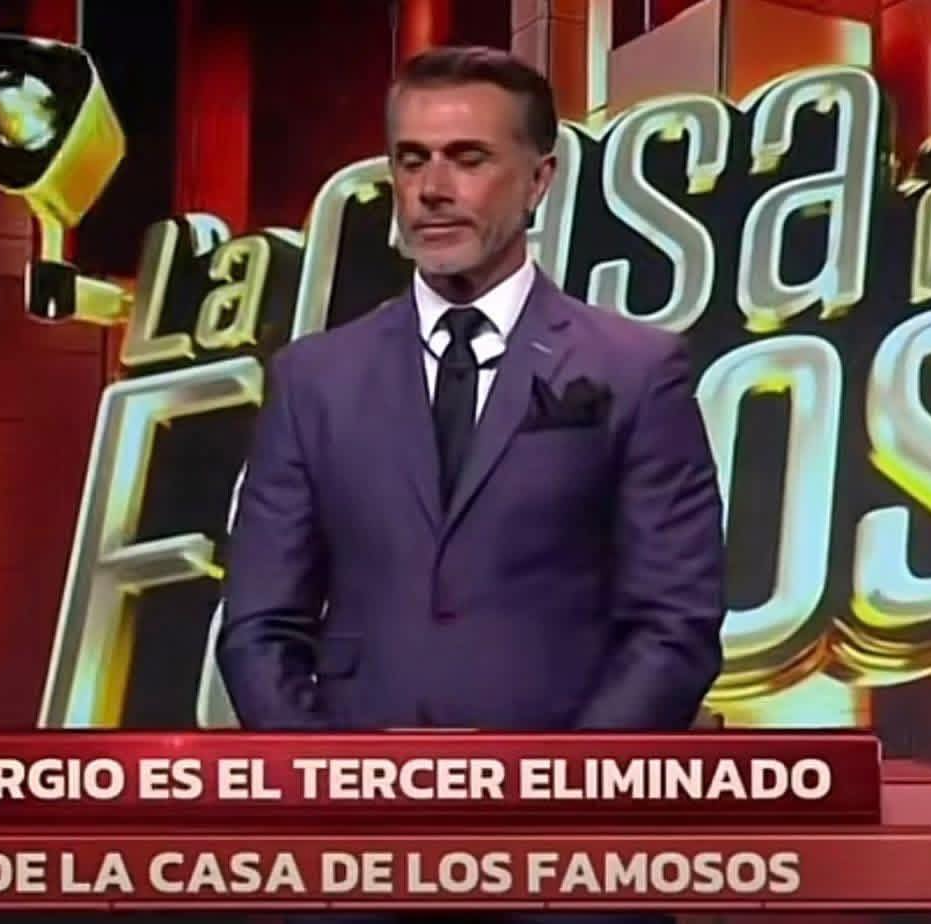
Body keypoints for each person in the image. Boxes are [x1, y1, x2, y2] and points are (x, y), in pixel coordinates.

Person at [218, 45, 726, 924]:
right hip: (356, 865)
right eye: (412, 159)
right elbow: (260, 627)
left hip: (569, 865)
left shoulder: (637, 369)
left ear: (539, 181)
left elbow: (674, 625)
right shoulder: (313, 378)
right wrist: (339, 798)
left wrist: (552, 803)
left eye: (468, 158)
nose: (433, 188)